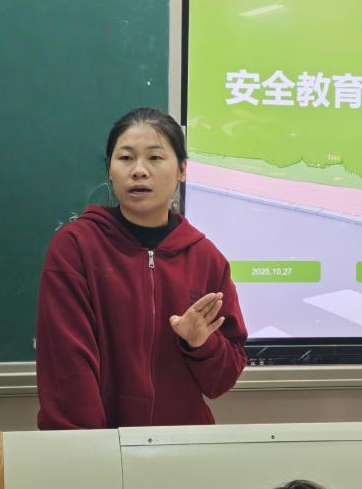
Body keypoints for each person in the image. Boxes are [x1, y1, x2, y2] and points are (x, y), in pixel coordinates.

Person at [36, 107, 247, 429]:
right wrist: (91, 449)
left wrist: (200, 343)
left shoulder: (206, 259)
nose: (139, 171)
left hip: (182, 445)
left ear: (182, 170)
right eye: (125, 158)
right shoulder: (76, 247)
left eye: (155, 158)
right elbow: (67, 368)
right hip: (99, 445)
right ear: (109, 170)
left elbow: (220, 381)